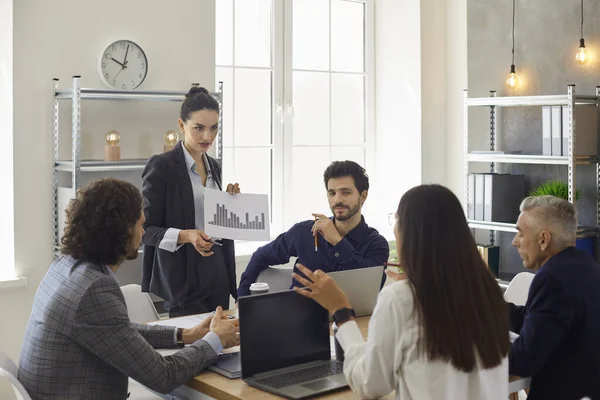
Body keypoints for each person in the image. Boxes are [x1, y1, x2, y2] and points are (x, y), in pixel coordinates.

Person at [18, 178, 240, 400]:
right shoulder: (93, 289)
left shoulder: (65, 267)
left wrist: (187, 335)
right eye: (141, 225)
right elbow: (164, 376)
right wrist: (214, 340)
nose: (143, 233)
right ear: (122, 230)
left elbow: (119, 330)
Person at [293, 184, 509, 400]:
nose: (394, 230)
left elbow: (369, 385)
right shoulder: (487, 292)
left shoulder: (401, 299)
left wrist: (341, 311)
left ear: (412, 233)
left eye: (397, 221)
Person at [142, 86, 240, 317]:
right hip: (182, 275)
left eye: (214, 128)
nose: (208, 136)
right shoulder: (162, 166)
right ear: (181, 125)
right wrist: (187, 235)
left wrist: (229, 201)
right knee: (193, 347)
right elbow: (146, 230)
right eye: (199, 128)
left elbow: (213, 222)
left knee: (221, 343)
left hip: (217, 270)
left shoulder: (214, 166)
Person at [238, 160, 389, 297]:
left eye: (345, 192)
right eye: (332, 193)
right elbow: (261, 255)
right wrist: (242, 298)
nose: (337, 200)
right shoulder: (305, 232)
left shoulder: (376, 244)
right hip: (299, 319)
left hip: (348, 321)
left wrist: (337, 241)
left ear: (363, 196)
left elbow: (368, 286)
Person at [508, 195, 600, 400]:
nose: (514, 242)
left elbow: (524, 360)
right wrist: (491, 308)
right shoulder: (585, 266)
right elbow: (541, 322)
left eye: (520, 234)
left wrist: (478, 346)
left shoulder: (551, 279)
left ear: (543, 239)